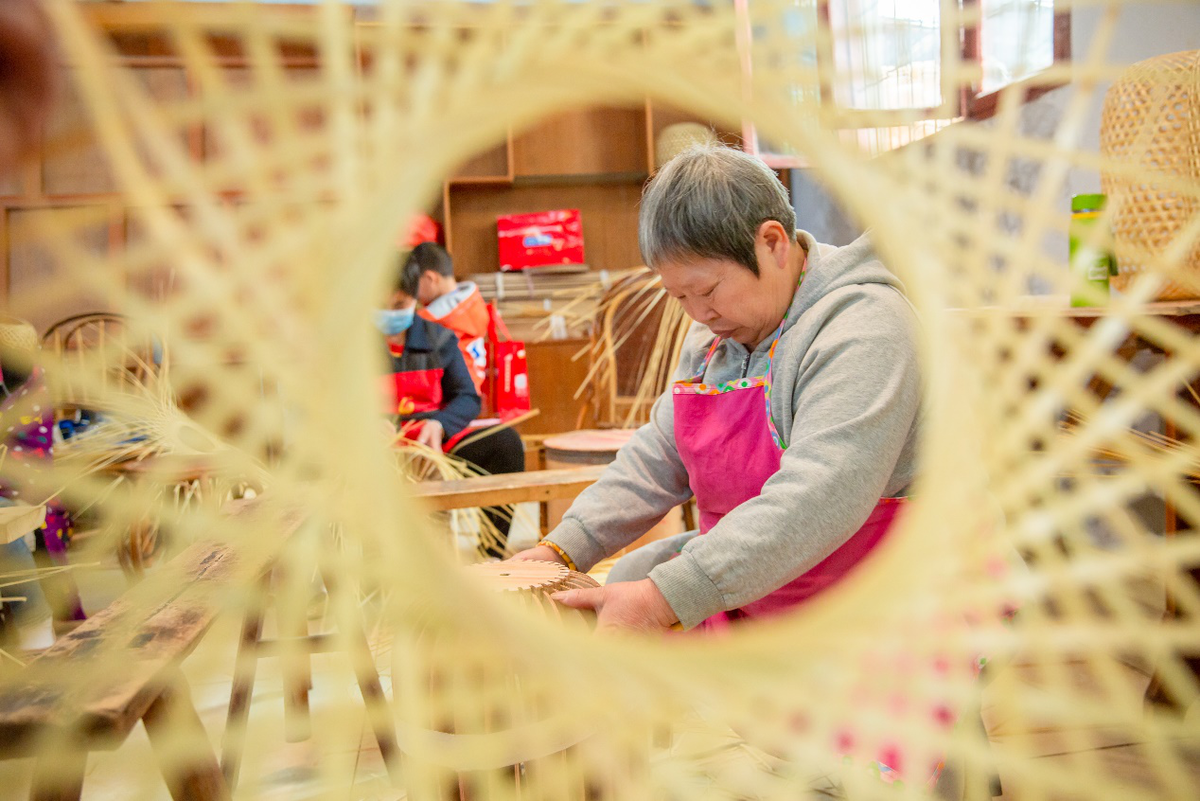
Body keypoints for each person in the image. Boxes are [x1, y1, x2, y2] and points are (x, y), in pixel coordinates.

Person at [511, 143, 921, 635]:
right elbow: (659, 455)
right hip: (764, 583)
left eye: (707, 291)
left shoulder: (863, 327)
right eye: (679, 296)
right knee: (625, 581)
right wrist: (563, 548)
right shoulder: (716, 337)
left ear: (772, 242)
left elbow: (820, 495)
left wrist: (665, 598)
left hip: (875, 597)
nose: (698, 314)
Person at [380, 265, 525, 557]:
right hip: (380, 446)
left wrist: (439, 424)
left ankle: (492, 553)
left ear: (415, 299)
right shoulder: (353, 346)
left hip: (433, 441)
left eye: (399, 305)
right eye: (380, 306)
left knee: (506, 444)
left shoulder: (439, 339)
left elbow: (467, 397)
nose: (390, 314)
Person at [403, 242, 490, 394]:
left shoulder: (433, 319)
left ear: (430, 278)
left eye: (415, 284)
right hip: (473, 387)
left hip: (453, 392)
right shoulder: (474, 300)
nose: (414, 293)